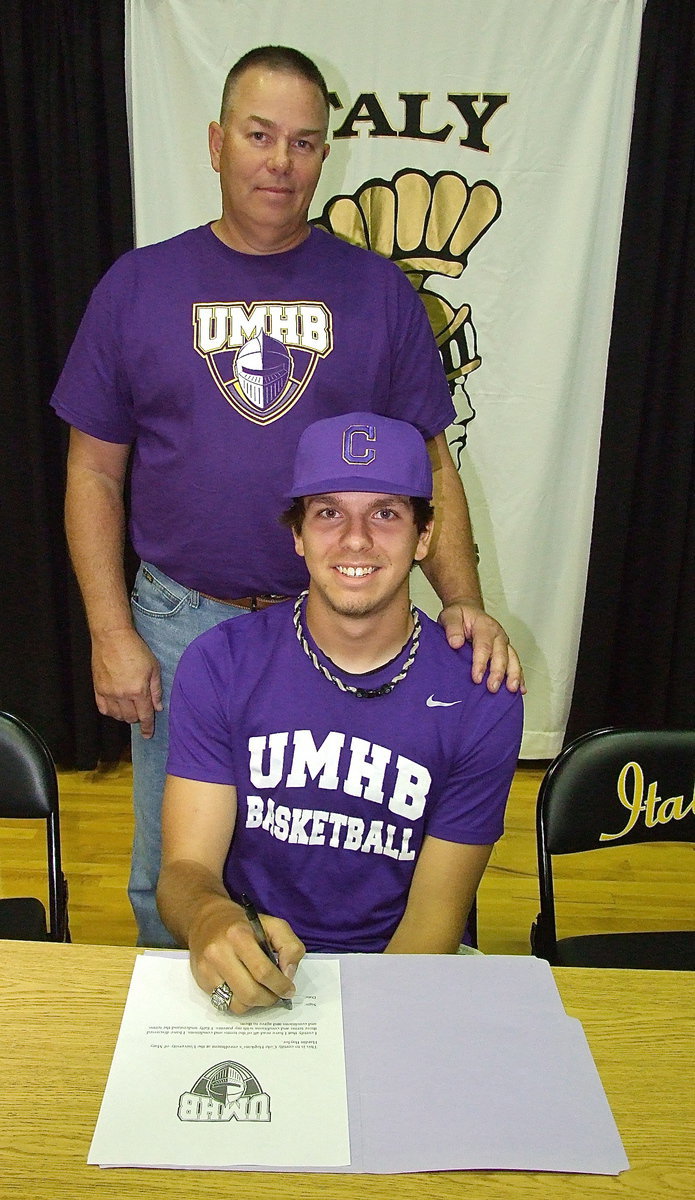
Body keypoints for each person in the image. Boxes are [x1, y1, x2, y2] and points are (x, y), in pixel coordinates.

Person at [50, 44, 523, 948]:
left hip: (339, 630)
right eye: (260, 136)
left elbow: (431, 465)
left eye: (304, 143)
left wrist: (462, 602)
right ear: (217, 142)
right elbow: (93, 472)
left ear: (324, 156)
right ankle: (188, 1058)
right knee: (172, 877)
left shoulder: (377, 293)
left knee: (348, 857)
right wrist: (113, 633)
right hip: (185, 621)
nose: (280, 161)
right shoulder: (138, 286)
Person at [157, 412, 523, 1014]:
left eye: (385, 513)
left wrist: (357, 1042)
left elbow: (435, 920)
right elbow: (185, 868)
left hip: (403, 972)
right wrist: (210, 917)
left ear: (424, 537)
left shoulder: (483, 691)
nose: (356, 539)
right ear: (297, 534)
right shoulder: (220, 663)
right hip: (259, 958)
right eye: (329, 513)